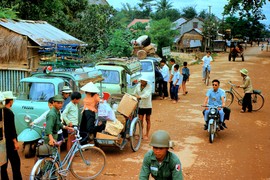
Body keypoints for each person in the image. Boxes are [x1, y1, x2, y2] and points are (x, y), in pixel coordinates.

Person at [1, 91, 23, 180]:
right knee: (16, 163)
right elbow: (11, 129)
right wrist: (15, 142)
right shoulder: (9, 112)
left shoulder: (1, 111)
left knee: (3, 164)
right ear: (10, 101)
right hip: (9, 142)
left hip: (1, 141)